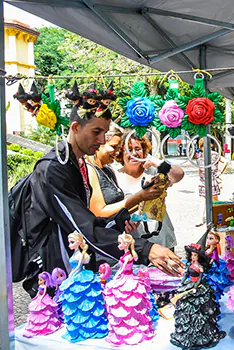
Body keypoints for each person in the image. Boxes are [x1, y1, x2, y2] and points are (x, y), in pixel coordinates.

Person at [23, 105, 183, 297]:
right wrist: (145, 249)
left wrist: (120, 221)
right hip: (59, 273)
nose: (100, 140)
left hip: (82, 266)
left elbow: (92, 219)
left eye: (104, 133)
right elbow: (82, 226)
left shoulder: (79, 164)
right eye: (96, 132)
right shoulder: (53, 169)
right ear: (75, 127)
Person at [116, 131, 184, 251]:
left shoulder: (154, 172)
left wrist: (154, 162)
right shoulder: (116, 176)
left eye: (137, 149)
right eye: (129, 149)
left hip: (161, 239)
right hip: (134, 243)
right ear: (121, 153)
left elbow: (178, 174)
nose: (133, 153)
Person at [85, 126, 163, 224]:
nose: (117, 153)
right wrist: (141, 196)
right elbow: (99, 212)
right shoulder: (90, 170)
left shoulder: (108, 170)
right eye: (113, 147)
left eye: (119, 149)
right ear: (99, 143)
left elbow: (118, 212)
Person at [196, 137, 228, 227]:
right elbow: (199, 168)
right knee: (204, 199)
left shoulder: (213, 154)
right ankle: (202, 218)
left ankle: (215, 217)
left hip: (211, 178)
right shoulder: (201, 156)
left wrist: (219, 173)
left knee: (213, 199)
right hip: (204, 179)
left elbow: (225, 161)